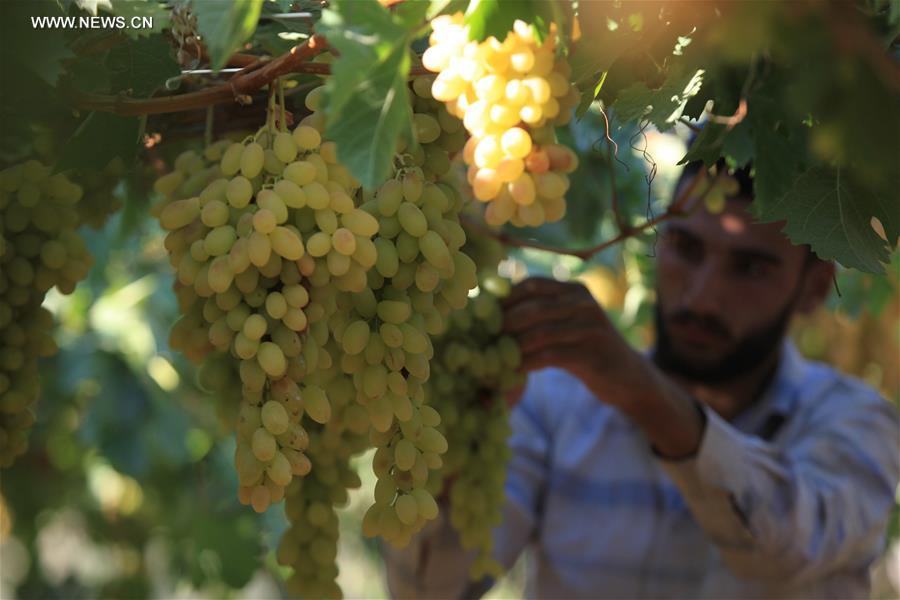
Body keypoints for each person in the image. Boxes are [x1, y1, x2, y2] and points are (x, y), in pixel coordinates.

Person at [383, 164, 900, 599]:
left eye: (749, 268)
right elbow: (430, 591)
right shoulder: (555, 403)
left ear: (812, 287)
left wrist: (646, 397)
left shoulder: (857, 421)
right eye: (686, 249)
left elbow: (793, 551)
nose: (701, 297)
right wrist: (451, 461)